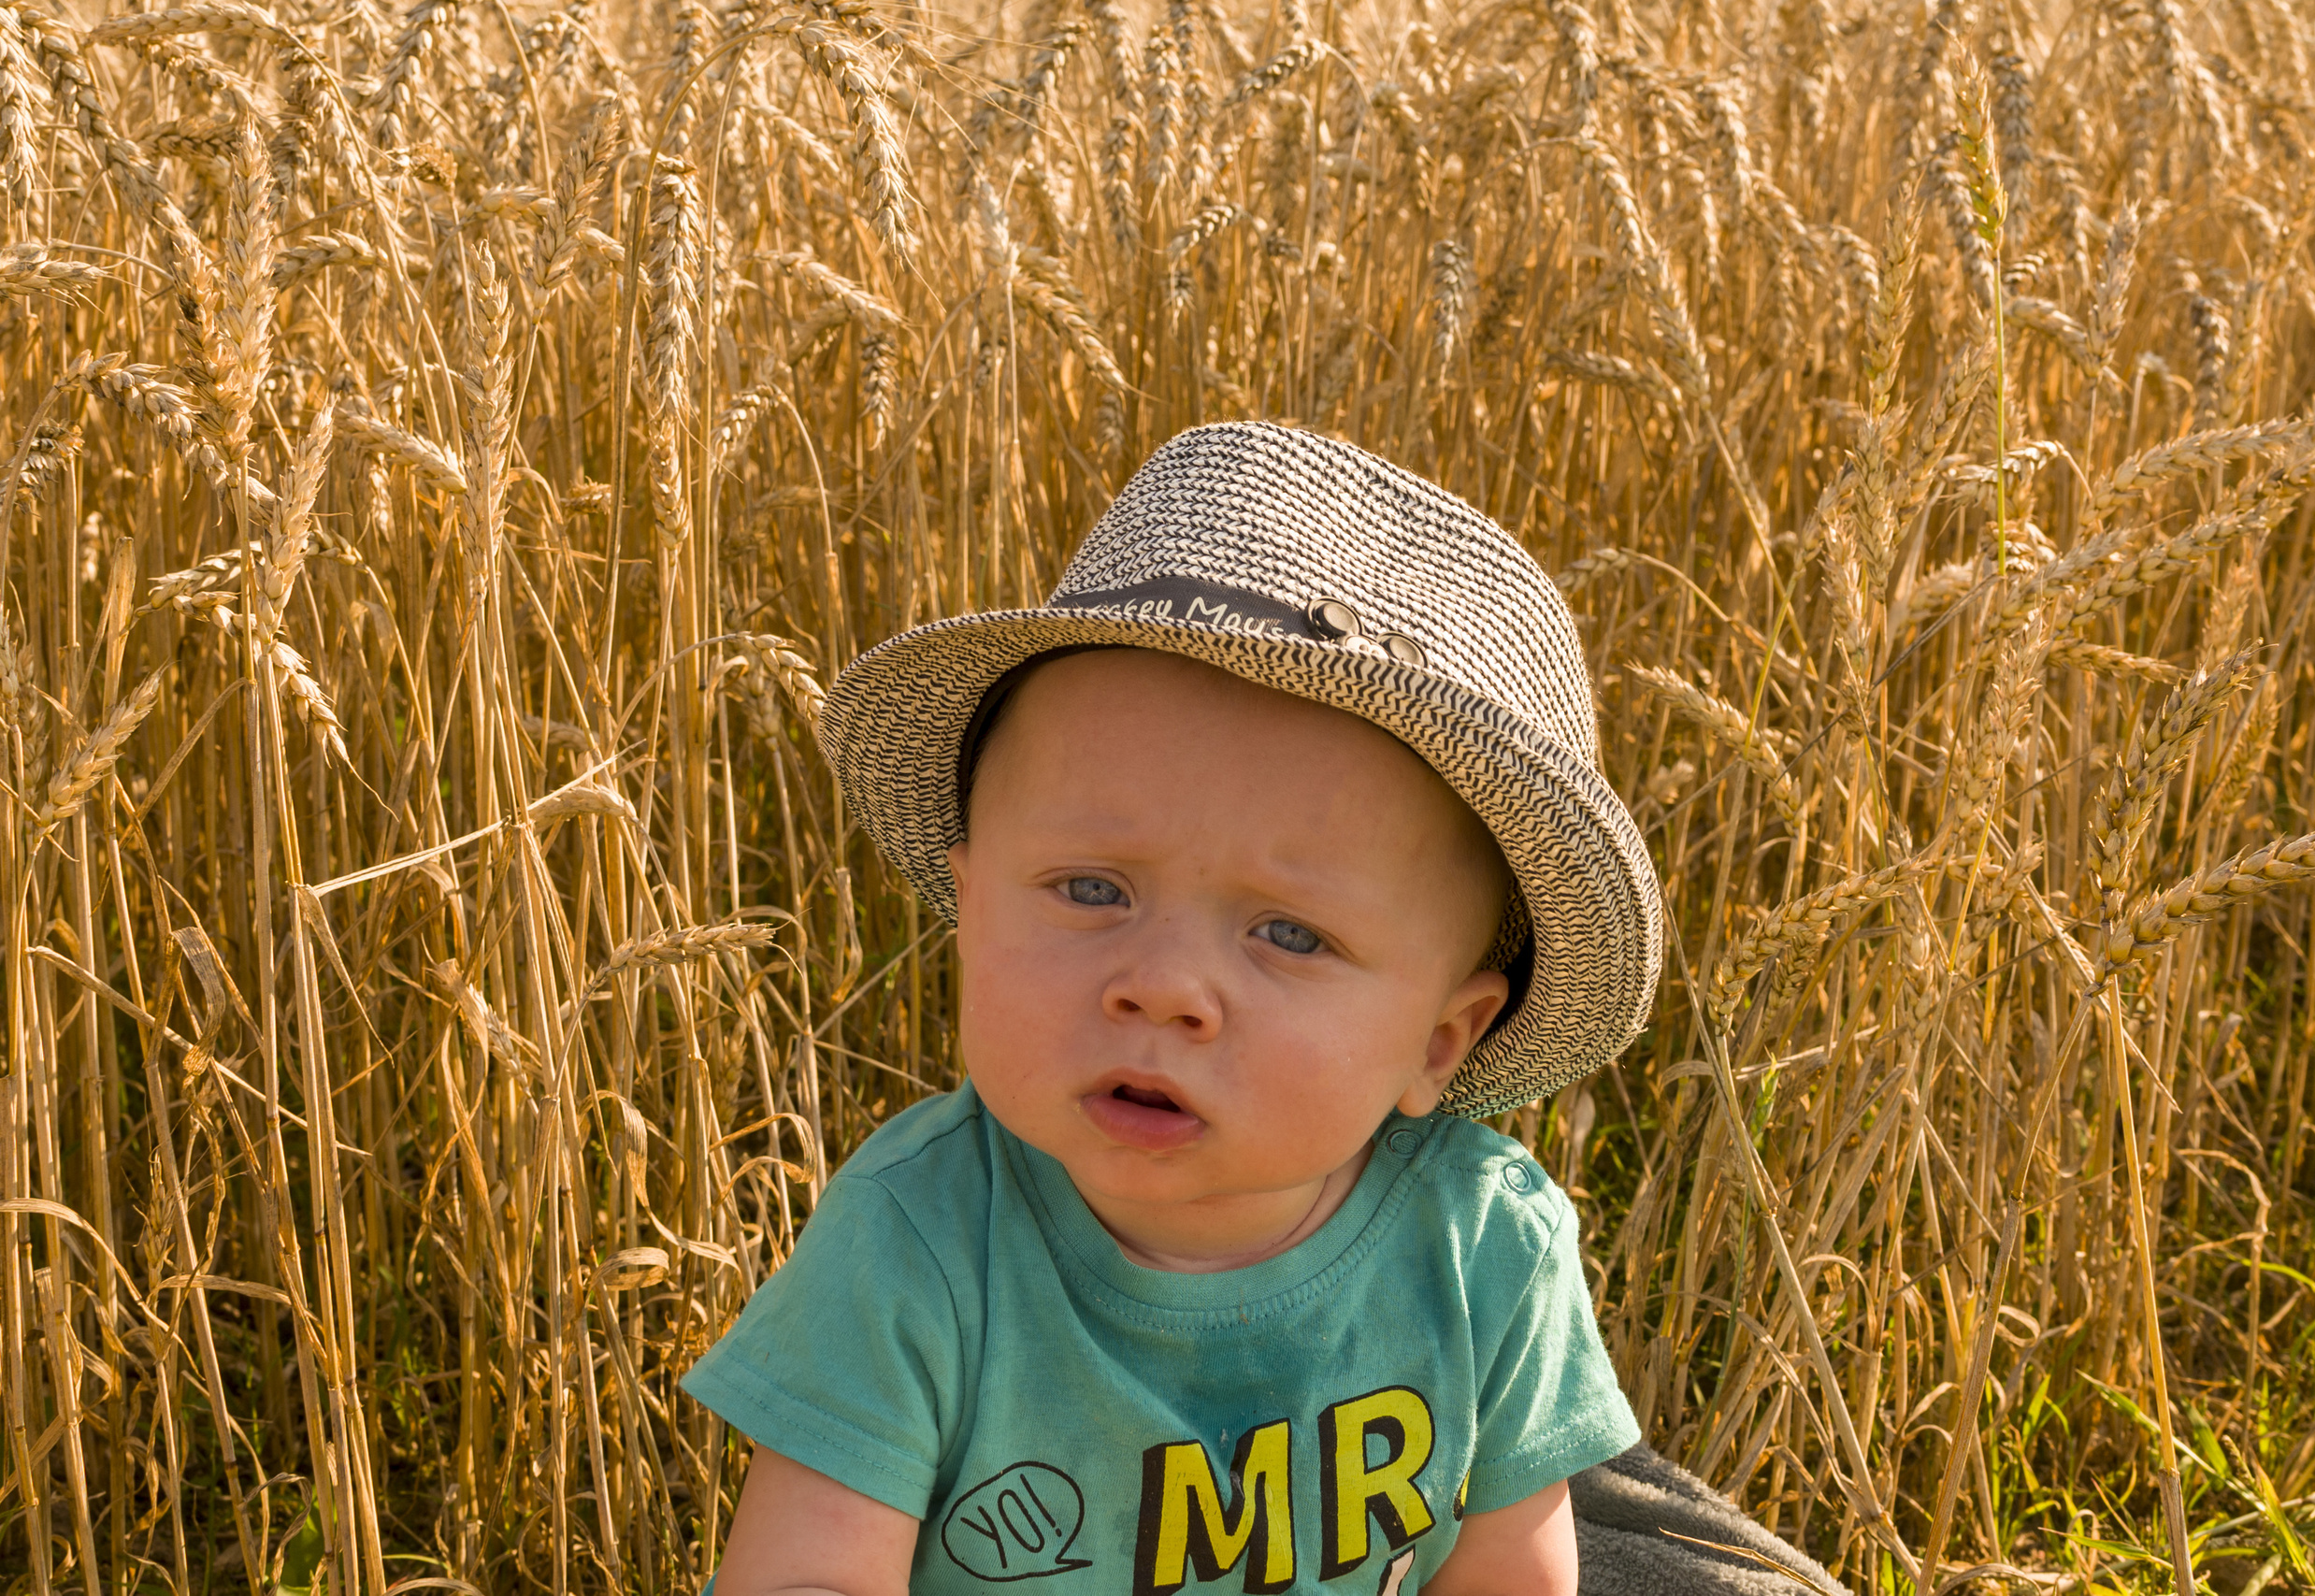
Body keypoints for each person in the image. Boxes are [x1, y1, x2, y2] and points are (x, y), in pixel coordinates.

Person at [681, 422, 1765, 1594]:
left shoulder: (1482, 1250)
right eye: (1091, 890)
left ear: (1440, 1041)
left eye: (1289, 934)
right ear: (971, 898)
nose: (1162, 985)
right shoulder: (920, 1243)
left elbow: (1513, 1568)